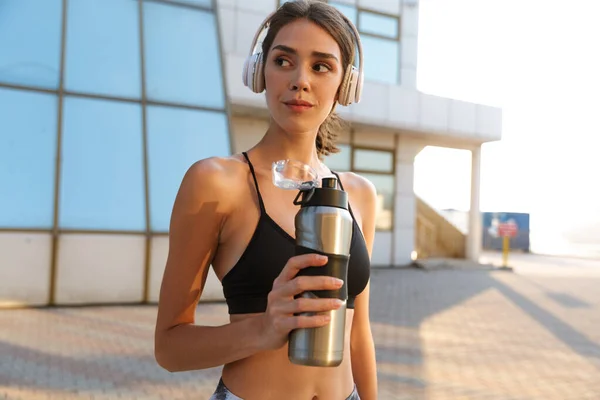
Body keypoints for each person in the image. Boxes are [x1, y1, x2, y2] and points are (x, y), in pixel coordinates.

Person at [154, 1, 378, 398]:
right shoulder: (217, 182)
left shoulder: (358, 194)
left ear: (346, 84)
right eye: (283, 61)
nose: (300, 80)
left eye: (321, 66)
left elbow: (359, 334)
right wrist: (263, 329)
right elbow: (169, 348)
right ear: (260, 73)